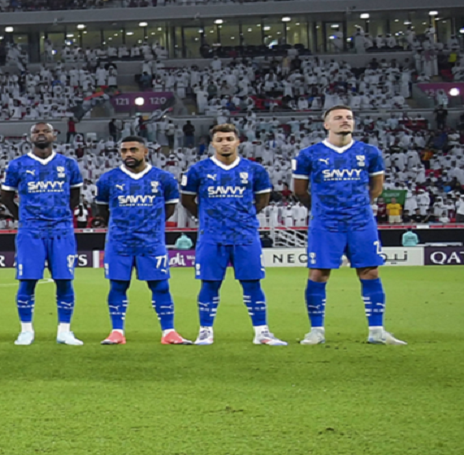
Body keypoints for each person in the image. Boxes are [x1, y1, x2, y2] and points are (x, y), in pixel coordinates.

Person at [294, 105, 404, 345]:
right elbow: (300, 191)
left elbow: (376, 187)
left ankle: (377, 331)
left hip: (360, 221)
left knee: (370, 271)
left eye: (349, 117)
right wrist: (322, 209)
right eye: (338, 118)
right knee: (319, 273)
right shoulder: (309, 154)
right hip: (325, 222)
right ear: (327, 124)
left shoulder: (369, 152)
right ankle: (316, 331)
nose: (345, 121)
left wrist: (359, 206)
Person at [180, 124, 286, 346]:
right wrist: (207, 218)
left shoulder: (255, 170)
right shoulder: (198, 170)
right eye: (219, 140)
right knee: (209, 283)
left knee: (252, 283)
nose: (225, 143)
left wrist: (243, 216)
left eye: (229, 138)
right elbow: (188, 200)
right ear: (212, 144)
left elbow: (263, 199)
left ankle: (262, 332)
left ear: (238, 141)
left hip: (245, 235)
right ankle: (205, 331)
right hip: (211, 236)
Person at [95, 136, 191, 345]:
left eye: (133, 150)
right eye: (124, 151)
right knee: (118, 285)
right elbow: (103, 210)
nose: (128, 154)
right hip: (119, 242)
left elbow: (169, 208)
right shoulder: (108, 179)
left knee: (160, 286)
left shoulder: (164, 178)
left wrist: (151, 226)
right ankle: (117, 332)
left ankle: (169, 332)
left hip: (151, 242)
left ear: (145, 152)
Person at [0, 122, 84, 346]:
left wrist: (62, 215)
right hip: (31, 231)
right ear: (30, 137)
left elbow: (75, 195)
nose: (41, 134)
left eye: (45, 131)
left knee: (64, 281)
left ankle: (64, 331)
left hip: (61, 230)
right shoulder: (18, 165)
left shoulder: (68, 164)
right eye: (36, 132)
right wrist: (23, 218)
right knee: (27, 281)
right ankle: (26, 330)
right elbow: (6, 197)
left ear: (54, 136)